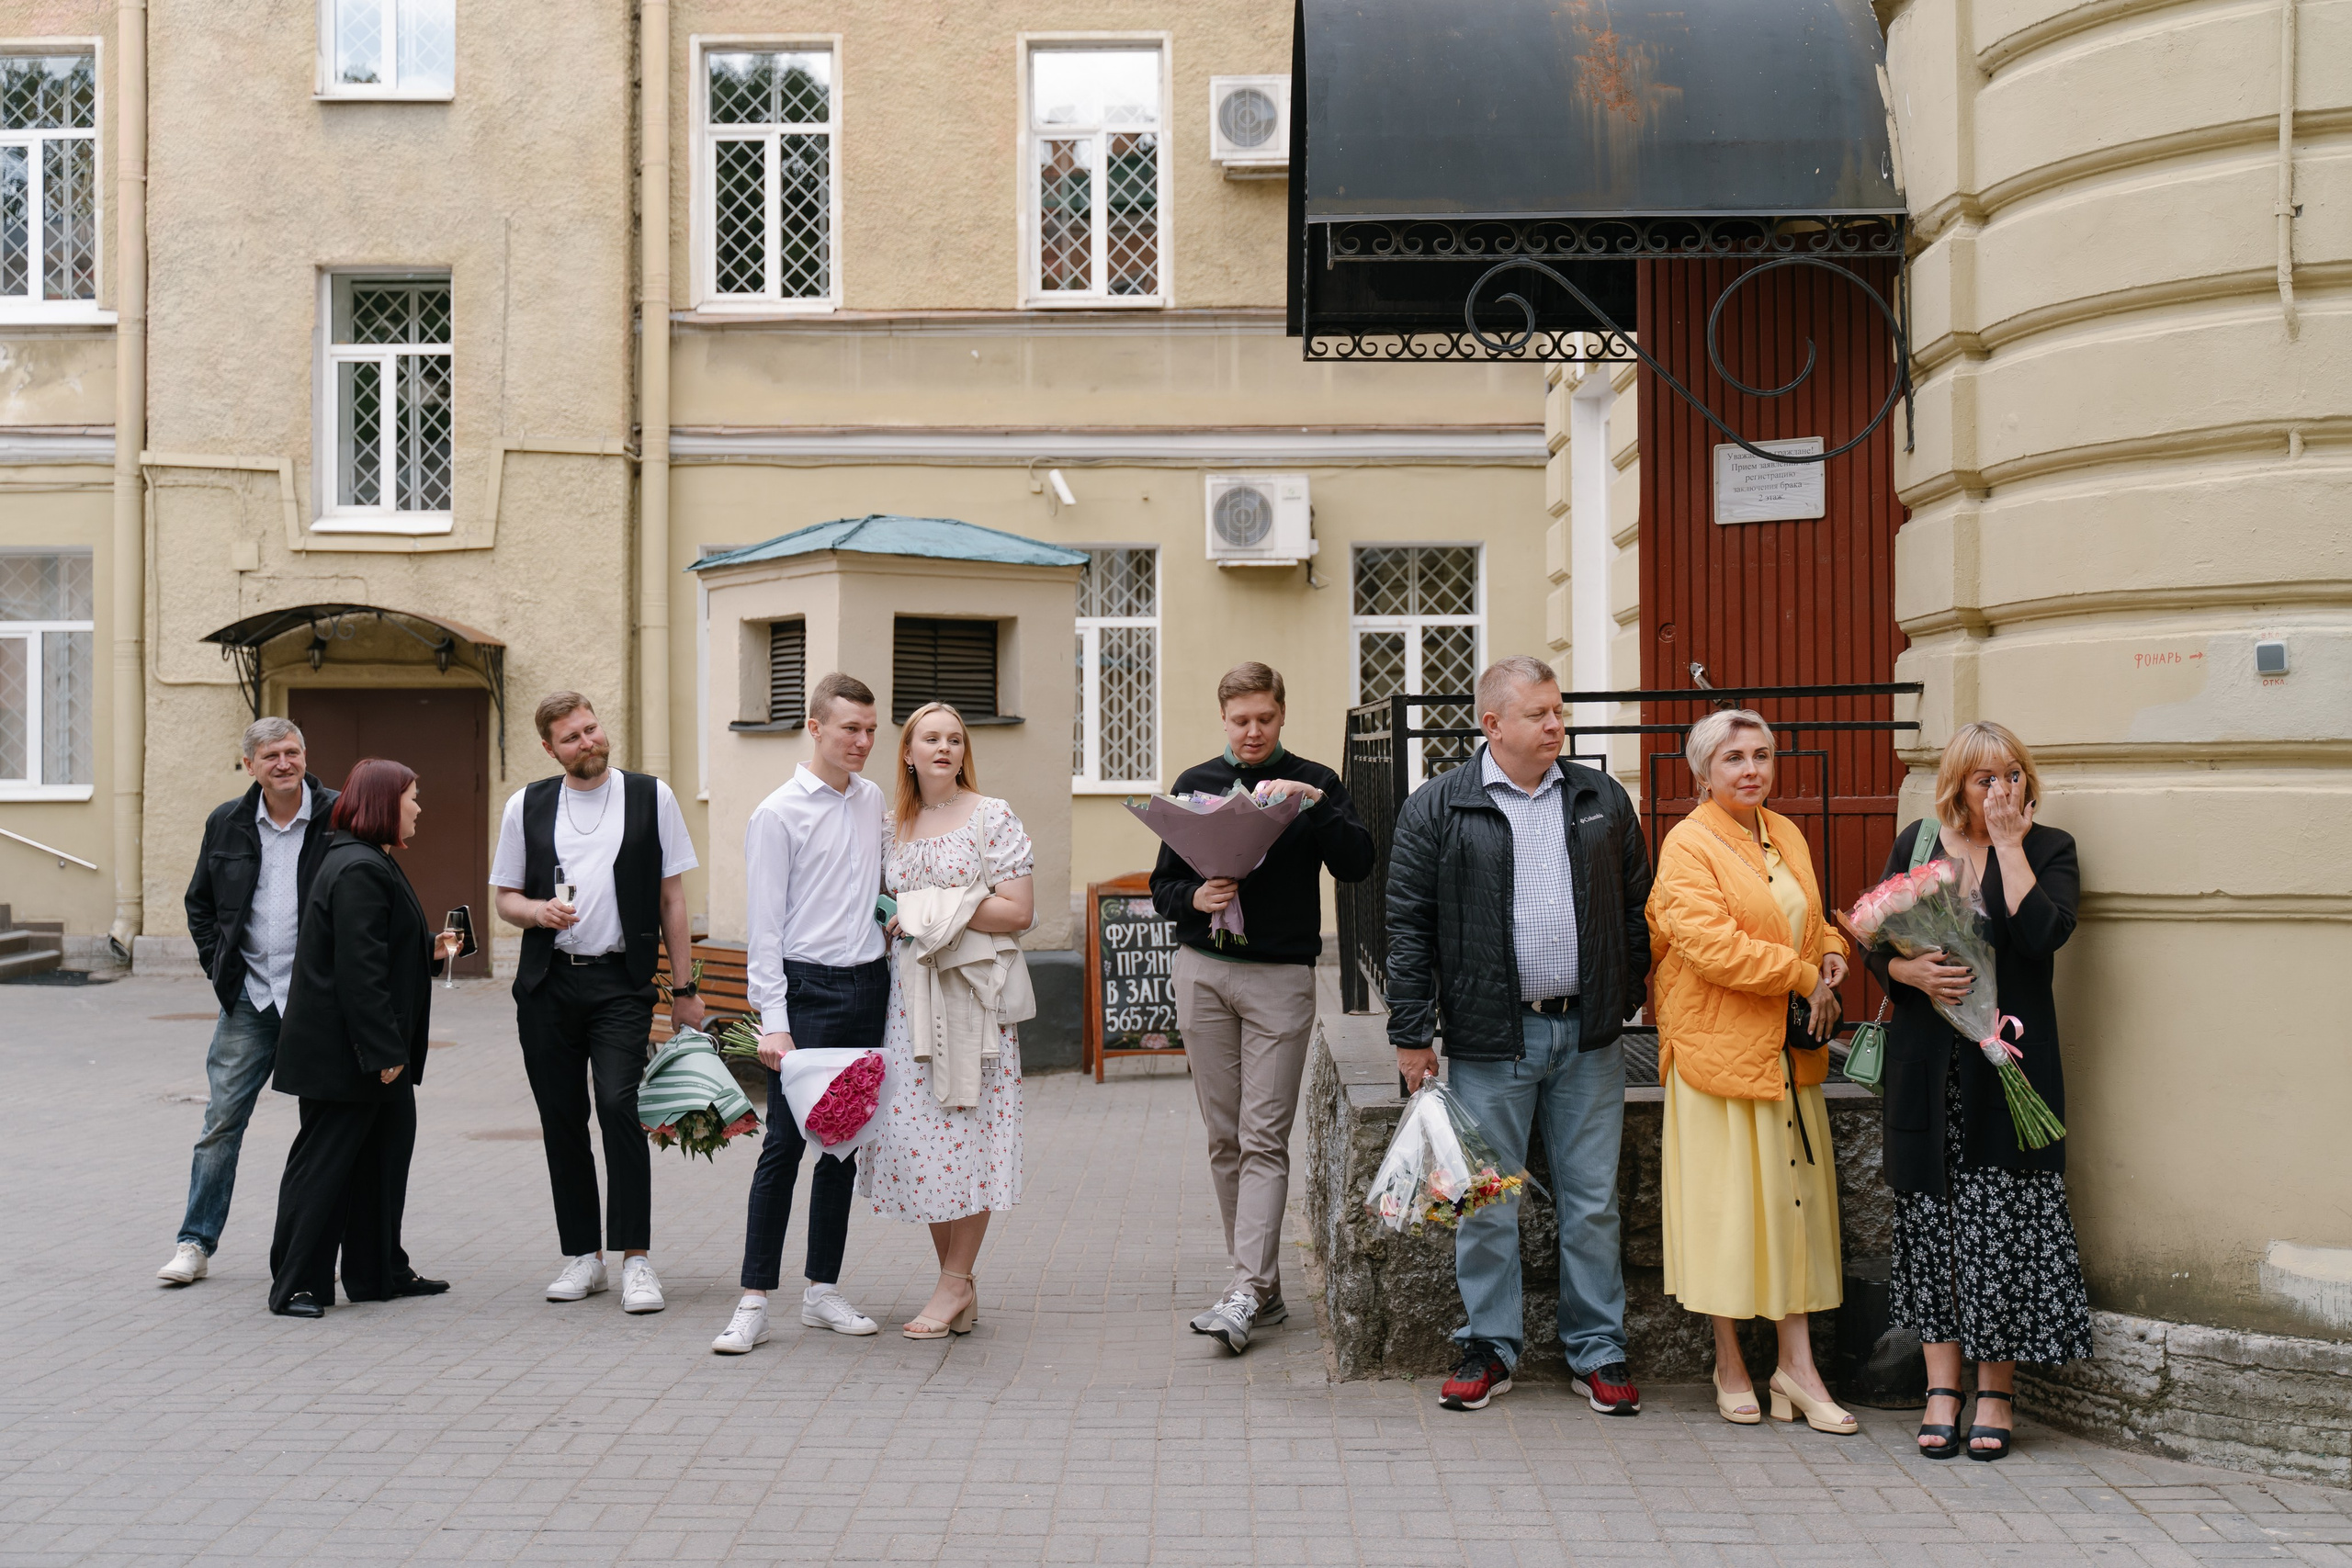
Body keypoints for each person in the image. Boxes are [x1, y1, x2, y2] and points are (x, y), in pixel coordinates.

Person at [1387, 655, 1654, 1415]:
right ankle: (1489, 1344)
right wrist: (1412, 1033)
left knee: (1593, 1200)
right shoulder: (1438, 807)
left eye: (1559, 711)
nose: (1556, 725)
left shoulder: (1601, 796)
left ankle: (1598, 1349)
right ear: (1493, 722)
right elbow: (1407, 927)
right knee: (1484, 1201)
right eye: (1539, 714)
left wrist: (1623, 991)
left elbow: (1639, 907)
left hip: (1590, 1036)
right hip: (1488, 1039)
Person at [1873, 720, 2089, 1461]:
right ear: (1956, 786)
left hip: (2012, 1069)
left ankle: (1996, 1389)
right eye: (1983, 778)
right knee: (1933, 1225)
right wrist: (1910, 975)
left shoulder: (2050, 848)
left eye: (2012, 775)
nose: (2000, 789)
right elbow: (1880, 946)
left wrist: (2007, 844)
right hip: (1931, 1072)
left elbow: (2040, 936)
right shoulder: (1918, 843)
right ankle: (1942, 1388)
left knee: (2003, 1226)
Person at [1150, 661, 1375, 1353]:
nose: (1253, 731)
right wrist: (1194, 897)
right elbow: (1163, 886)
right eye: (1241, 719)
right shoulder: (1196, 783)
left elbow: (1360, 862)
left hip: (1279, 976)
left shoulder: (1316, 782)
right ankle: (1259, 1287)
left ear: (1282, 713)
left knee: (1263, 1134)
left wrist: (1317, 802)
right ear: (1223, 716)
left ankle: (1246, 1287)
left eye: (1265, 719)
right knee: (1224, 1136)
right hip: (1204, 971)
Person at [1646, 709, 1855, 1434]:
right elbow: (1712, 946)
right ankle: (1729, 1360)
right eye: (1734, 757)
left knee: (1793, 1208)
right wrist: (1804, 976)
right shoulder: (1688, 844)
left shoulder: (1784, 831)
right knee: (1727, 1213)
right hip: (1715, 1054)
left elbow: (1808, 916)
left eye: (1762, 755)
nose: (1751, 770)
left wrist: (1830, 950)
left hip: (1784, 1056)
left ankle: (1796, 1367)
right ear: (1703, 771)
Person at [491, 692, 702, 1315]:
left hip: (620, 981)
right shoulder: (525, 804)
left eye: (591, 729)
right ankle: (584, 1255)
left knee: (617, 1104)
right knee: (561, 1116)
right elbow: (505, 896)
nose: (587, 742)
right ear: (550, 748)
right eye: (572, 737)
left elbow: (672, 899)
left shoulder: (650, 796)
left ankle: (636, 1256)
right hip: (548, 982)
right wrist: (537, 911)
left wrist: (684, 992)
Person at [713, 672, 889, 1354]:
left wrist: (890, 917)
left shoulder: (874, 799)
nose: (864, 741)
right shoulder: (777, 812)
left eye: (872, 730)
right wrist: (774, 1020)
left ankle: (822, 1291)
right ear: (815, 728)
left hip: (867, 988)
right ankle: (753, 1299)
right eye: (851, 728)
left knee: (843, 1146)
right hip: (805, 992)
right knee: (784, 1145)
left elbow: (872, 887)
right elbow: (767, 928)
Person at [860, 702, 1035, 1337]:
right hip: (906, 1004)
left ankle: (952, 1282)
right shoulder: (892, 826)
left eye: (954, 739)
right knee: (920, 1143)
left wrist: (927, 908)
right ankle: (955, 1281)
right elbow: (885, 906)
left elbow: (1017, 911)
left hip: (973, 999)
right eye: (930, 738)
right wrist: (895, 912)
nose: (943, 748)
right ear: (907, 752)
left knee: (969, 1139)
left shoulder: (992, 816)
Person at [266, 760, 462, 1317]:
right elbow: (358, 972)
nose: (419, 808)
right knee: (325, 1168)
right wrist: (382, 1054)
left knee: (383, 1160)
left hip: (369, 1054)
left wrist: (434, 947)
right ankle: (297, 1284)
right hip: (348, 1058)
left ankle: (379, 1272)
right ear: (384, 804)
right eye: (412, 797)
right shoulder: (358, 868)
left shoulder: (369, 860)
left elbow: (380, 947)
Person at [159, 717, 339, 1286]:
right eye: (270, 756)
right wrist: (224, 972)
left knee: (327, 1127)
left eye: (292, 752)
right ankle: (194, 1243)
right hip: (251, 1000)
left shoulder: (338, 815)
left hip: (318, 1000)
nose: (283, 763)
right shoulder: (228, 823)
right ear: (250, 766)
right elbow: (200, 905)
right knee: (221, 1124)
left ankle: (319, 1250)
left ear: (305, 754)